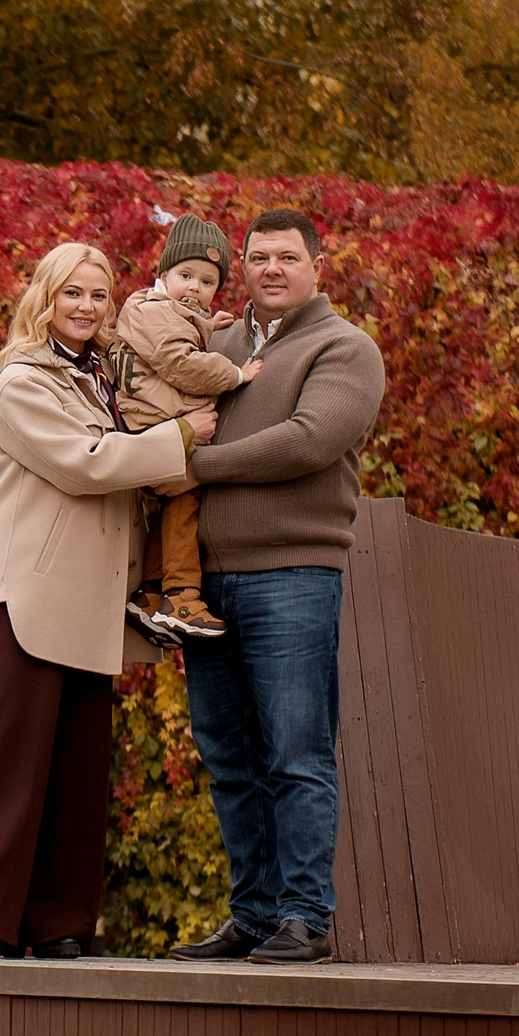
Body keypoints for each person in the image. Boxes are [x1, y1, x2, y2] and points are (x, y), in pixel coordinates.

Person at [0, 242, 214, 962]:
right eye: (71, 293)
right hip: (36, 596)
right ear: (44, 297)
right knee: (5, 762)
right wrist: (179, 435)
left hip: (95, 603)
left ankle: (58, 923)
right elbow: (85, 463)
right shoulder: (23, 377)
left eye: (98, 295)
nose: (86, 307)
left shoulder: (100, 373)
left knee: (79, 774)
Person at [166, 208, 387, 966]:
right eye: (256, 257)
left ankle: (304, 917)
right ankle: (254, 915)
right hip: (201, 585)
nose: (269, 269)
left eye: (285, 257)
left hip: (292, 574)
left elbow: (308, 440)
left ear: (317, 267)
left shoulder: (345, 349)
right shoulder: (216, 344)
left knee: (295, 751)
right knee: (227, 754)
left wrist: (195, 462)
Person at [106, 214, 262, 641]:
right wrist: (234, 374)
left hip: (157, 426)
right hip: (156, 430)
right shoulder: (150, 310)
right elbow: (177, 361)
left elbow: (173, 334)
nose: (195, 287)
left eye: (208, 282)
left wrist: (210, 325)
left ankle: (151, 593)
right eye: (186, 275)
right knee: (185, 502)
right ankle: (182, 595)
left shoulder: (159, 311)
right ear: (162, 274)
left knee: (172, 507)